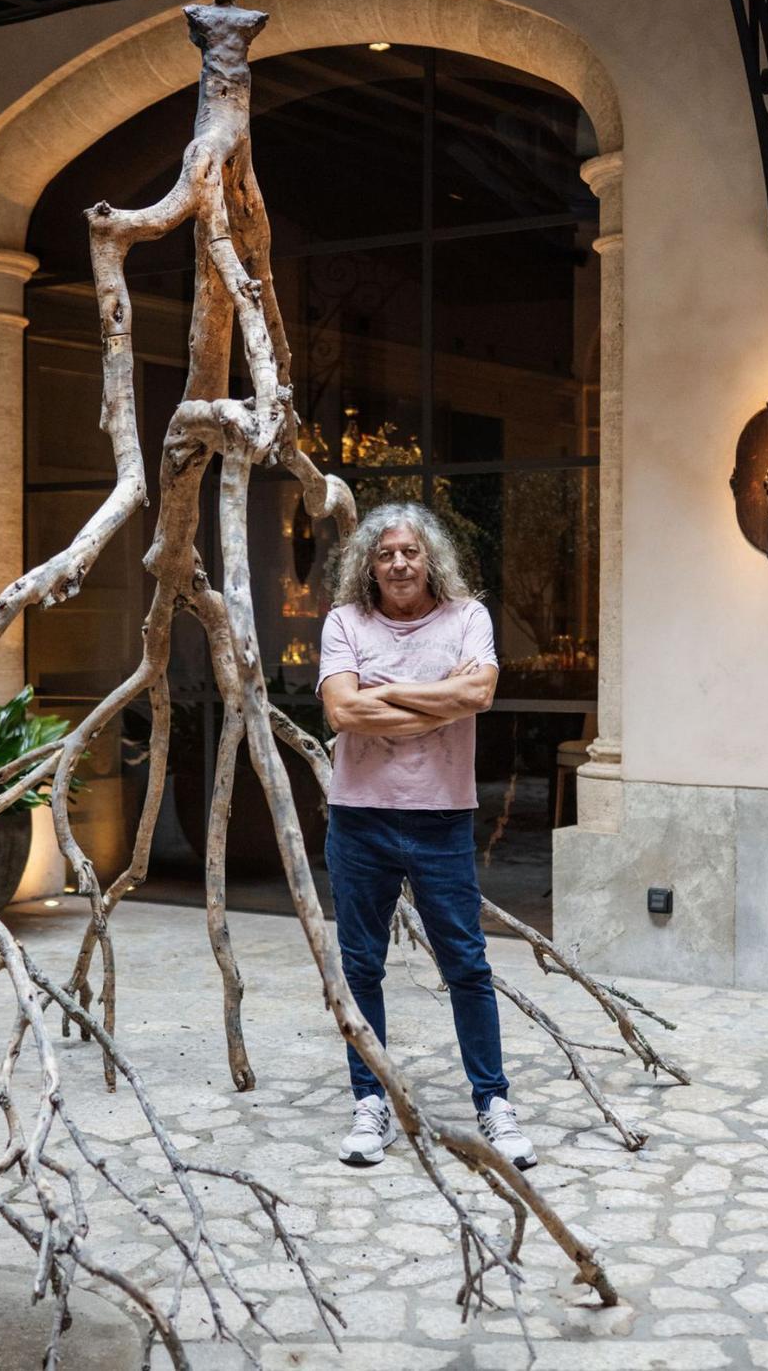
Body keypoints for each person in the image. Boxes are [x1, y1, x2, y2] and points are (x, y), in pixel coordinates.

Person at [317, 501, 536, 1171]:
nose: (399, 563)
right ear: (368, 564)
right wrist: (439, 693)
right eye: (385, 554)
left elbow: (481, 694)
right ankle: (371, 1102)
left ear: (429, 556)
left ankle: (493, 1103)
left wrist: (384, 700)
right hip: (359, 818)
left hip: (443, 818)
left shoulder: (468, 617)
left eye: (409, 551)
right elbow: (340, 709)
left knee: (466, 965)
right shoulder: (344, 621)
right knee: (361, 968)